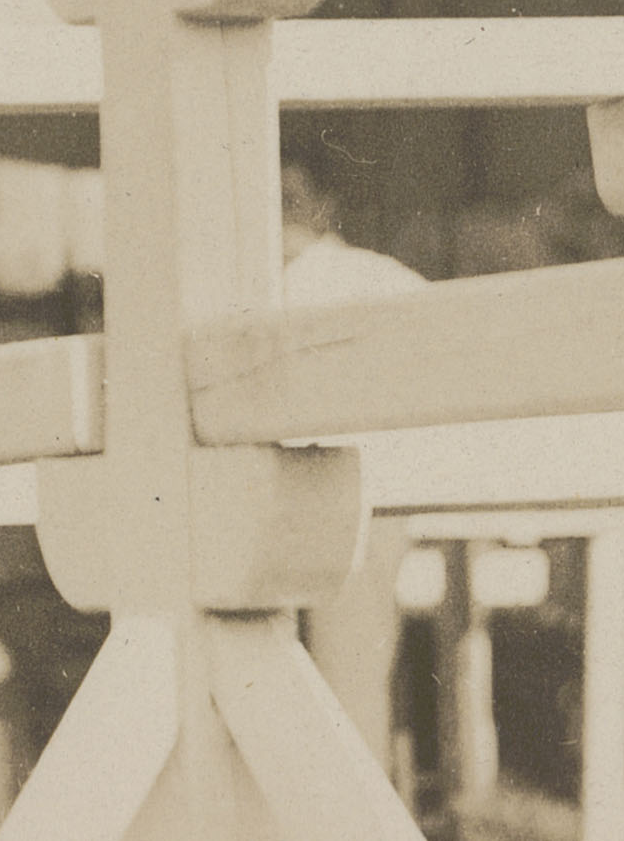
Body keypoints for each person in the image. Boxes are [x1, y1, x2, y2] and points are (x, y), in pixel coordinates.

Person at [274, 141, 429, 774]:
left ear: (323, 208)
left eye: (287, 200)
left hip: (359, 493)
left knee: (347, 682)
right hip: (291, 497)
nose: (277, 216)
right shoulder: (259, 283)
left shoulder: (366, 274)